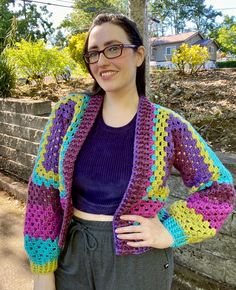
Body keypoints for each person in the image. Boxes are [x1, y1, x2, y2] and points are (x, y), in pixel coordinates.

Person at [24, 13, 235, 290]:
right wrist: (42, 269)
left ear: (139, 55)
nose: (102, 61)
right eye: (93, 54)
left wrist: (170, 231)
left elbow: (219, 189)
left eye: (113, 48)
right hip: (72, 255)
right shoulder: (69, 114)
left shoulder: (167, 126)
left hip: (137, 263)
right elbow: (44, 191)